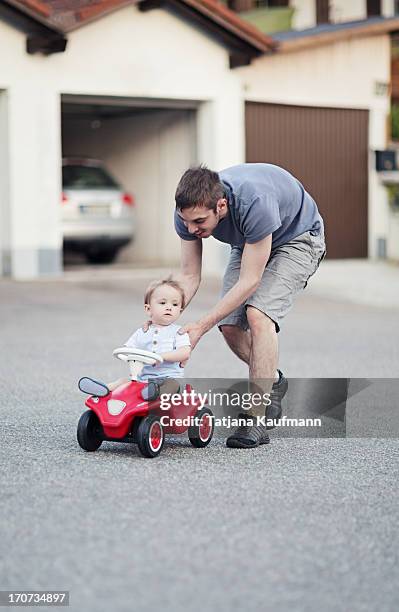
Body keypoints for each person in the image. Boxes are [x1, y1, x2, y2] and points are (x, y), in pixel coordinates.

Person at [172, 163, 326, 449]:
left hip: (298, 239)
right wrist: (164, 316)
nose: (191, 229)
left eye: (199, 223)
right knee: (229, 325)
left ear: (220, 206)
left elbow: (250, 281)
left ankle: (256, 416)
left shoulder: (254, 202)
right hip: (250, 242)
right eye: (187, 222)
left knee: (258, 315)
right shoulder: (187, 213)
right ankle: (274, 381)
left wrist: (199, 328)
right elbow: (190, 276)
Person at [108, 278, 191, 397]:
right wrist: (128, 356)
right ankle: (105, 390)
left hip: (169, 378)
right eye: (163, 303)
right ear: (148, 309)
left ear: (180, 310)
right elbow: (128, 349)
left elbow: (184, 353)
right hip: (144, 379)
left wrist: (161, 357)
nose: (169, 307)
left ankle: (153, 393)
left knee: (171, 385)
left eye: (175, 304)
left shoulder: (179, 332)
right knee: (123, 382)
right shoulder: (142, 332)